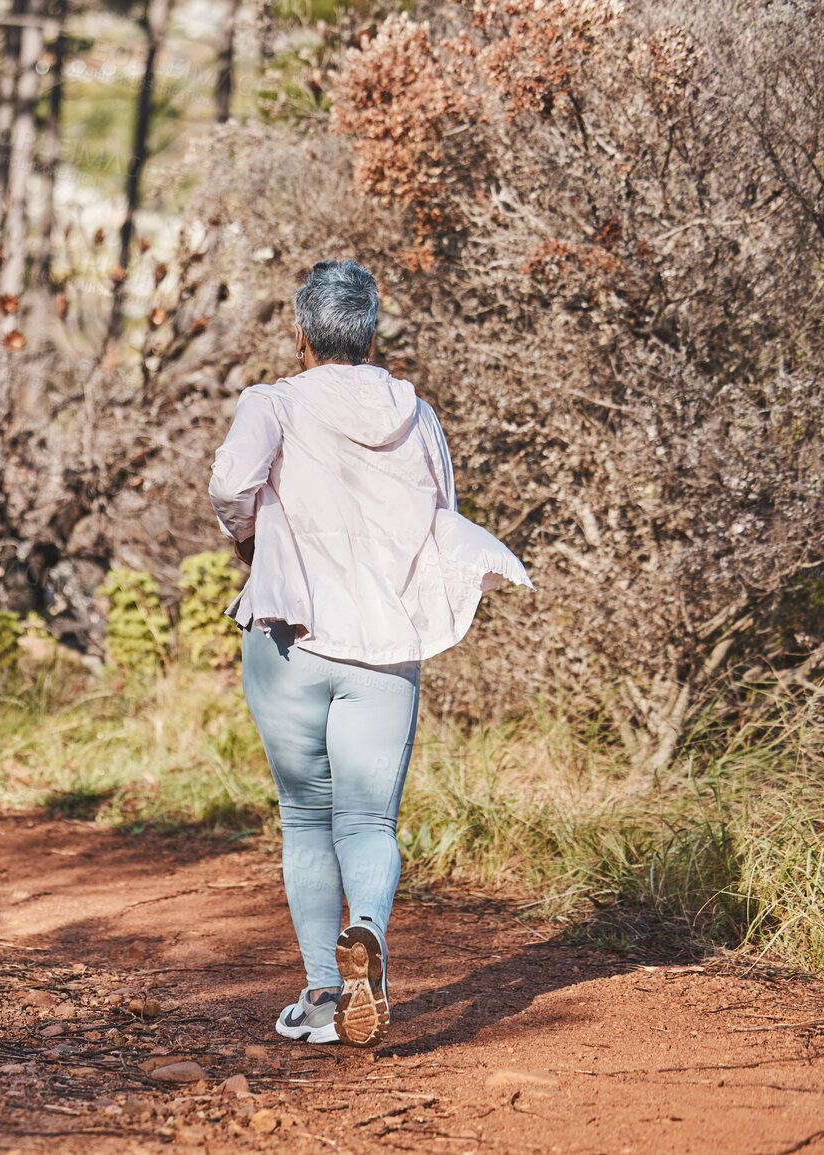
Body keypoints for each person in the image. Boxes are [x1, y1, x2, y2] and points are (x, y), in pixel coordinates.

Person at [208, 259, 530, 1047]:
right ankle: (370, 935)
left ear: (300, 332)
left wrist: (250, 537)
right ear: (370, 330)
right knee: (366, 817)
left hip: (287, 634)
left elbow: (227, 485)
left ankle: (323, 992)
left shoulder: (272, 403)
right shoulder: (415, 414)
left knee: (304, 816)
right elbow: (439, 511)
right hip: (385, 643)